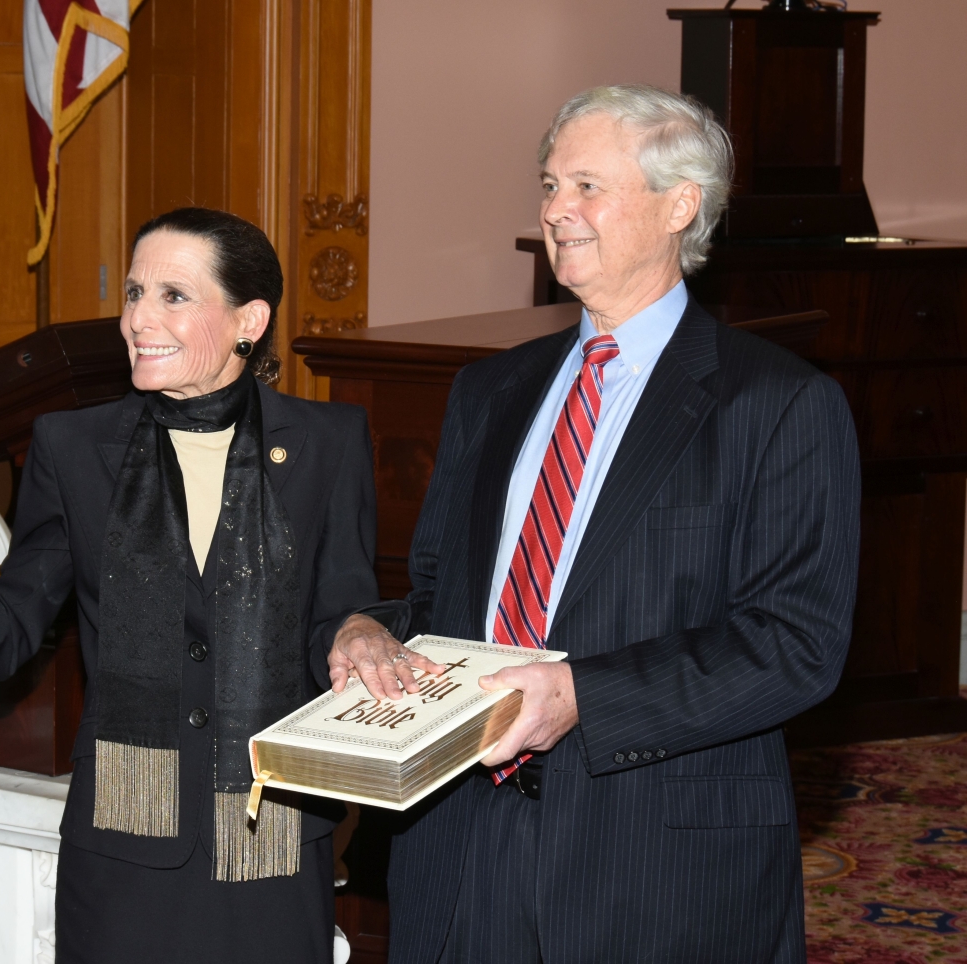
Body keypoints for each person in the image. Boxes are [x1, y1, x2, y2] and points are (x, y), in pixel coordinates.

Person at [330, 85, 861, 962]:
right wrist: (365, 632)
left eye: (586, 186)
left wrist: (581, 695)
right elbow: (438, 597)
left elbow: (796, 645)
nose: (555, 211)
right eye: (548, 186)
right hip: (462, 840)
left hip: (656, 854)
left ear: (680, 204)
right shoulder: (490, 391)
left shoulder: (778, 402)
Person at [0, 207, 421, 964]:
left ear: (248, 319)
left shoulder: (326, 443)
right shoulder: (75, 447)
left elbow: (339, 609)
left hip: (270, 836)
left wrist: (358, 630)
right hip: (123, 843)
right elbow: (1, 642)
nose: (139, 317)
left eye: (173, 295)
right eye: (135, 292)